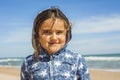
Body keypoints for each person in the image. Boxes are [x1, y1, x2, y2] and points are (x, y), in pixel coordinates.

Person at [20, 7, 90, 80]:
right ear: (37, 35)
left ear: (67, 34)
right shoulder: (29, 62)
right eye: (47, 32)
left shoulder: (77, 60)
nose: (54, 37)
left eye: (59, 32)